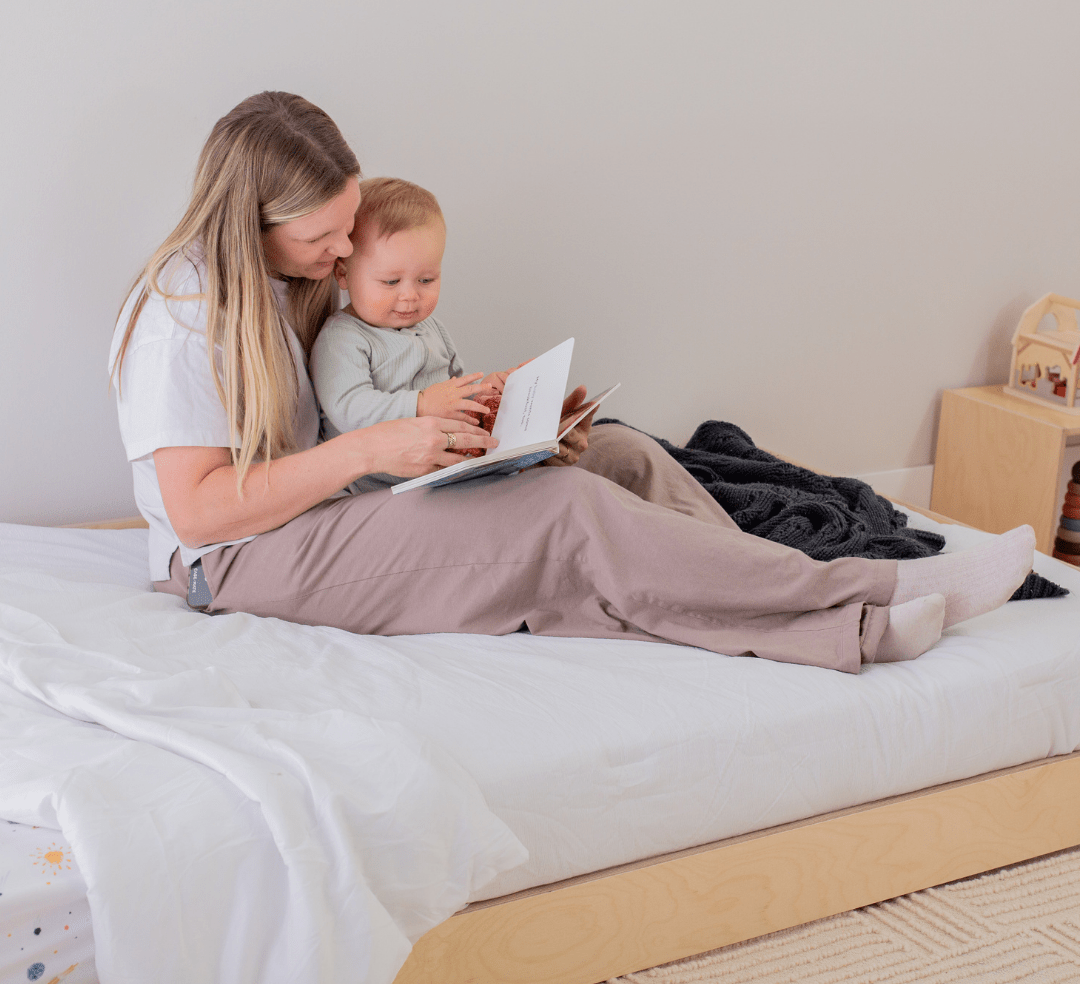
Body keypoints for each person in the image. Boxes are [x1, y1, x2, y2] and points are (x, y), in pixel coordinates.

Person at [109, 90, 1036, 676]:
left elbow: (353, 420)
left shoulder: (287, 281)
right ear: (256, 219)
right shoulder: (183, 316)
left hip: (327, 503)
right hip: (233, 563)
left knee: (619, 456)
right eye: (327, 237)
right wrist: (377, 447)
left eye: (351, 226)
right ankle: (862, 599)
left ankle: (781, 598)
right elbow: (199, 515)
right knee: (560, 513)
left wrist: (498, 426)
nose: (347, 251)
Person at [308, 177, 509, 493]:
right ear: (343, 274)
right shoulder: (343, 339)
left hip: (440, 470)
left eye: (426, 280)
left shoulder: (431, 328)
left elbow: (454, 392)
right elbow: (349, 409)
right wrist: (420, 405)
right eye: (391, 282)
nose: (410, 296)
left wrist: (486, 392)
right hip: (374, 490)